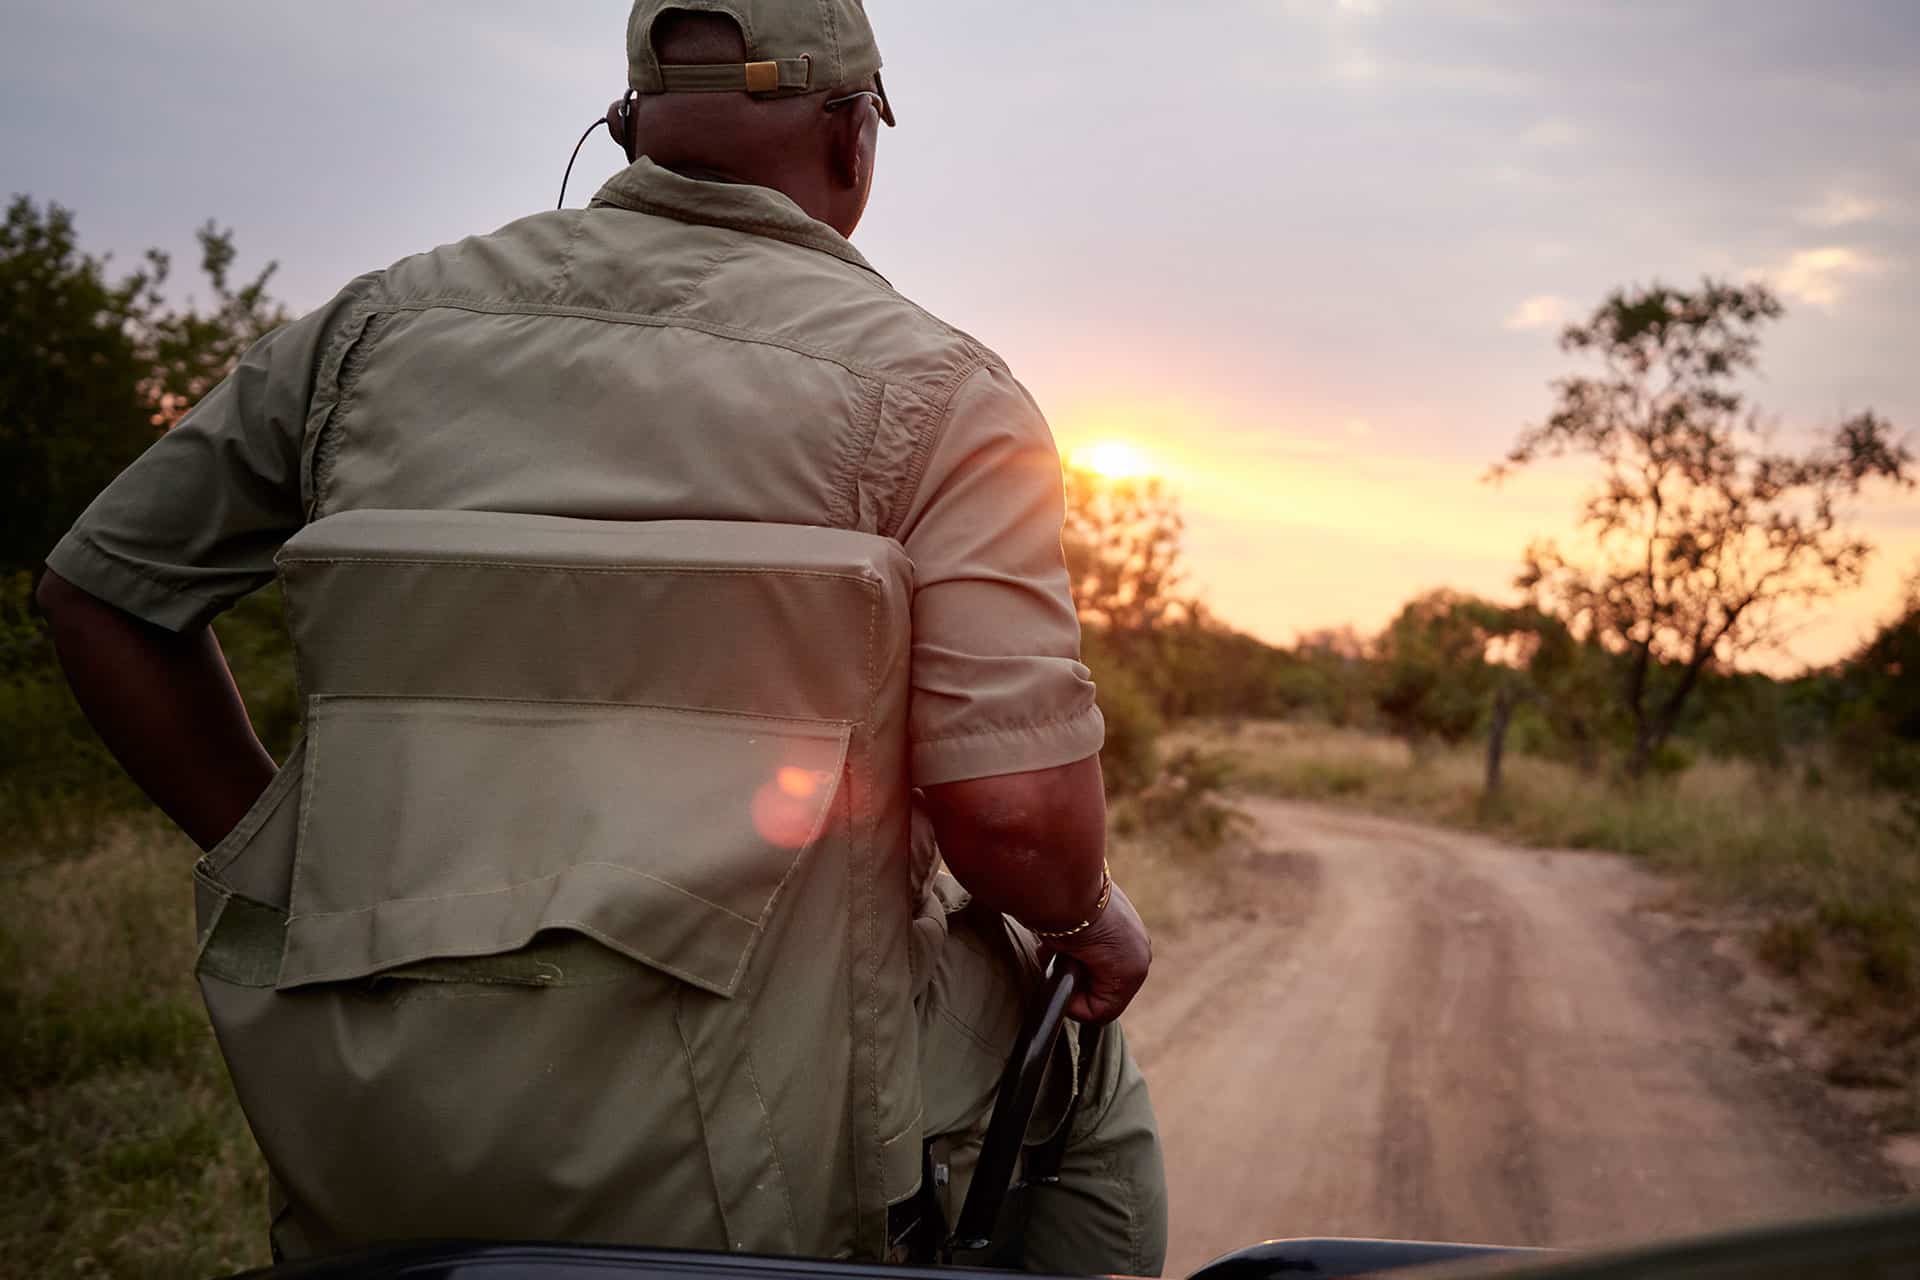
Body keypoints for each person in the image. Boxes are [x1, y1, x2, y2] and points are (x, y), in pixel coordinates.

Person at [35, 2, 1167, 1273]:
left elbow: (102, 589)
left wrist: (299, 873)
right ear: (854, 140)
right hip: (767, 1157)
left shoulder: (366, 333)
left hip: (382, 1112)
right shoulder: (946, 393)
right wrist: (1086, 916)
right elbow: (1015, 816)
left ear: (629, 127)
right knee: (1084, 1069)